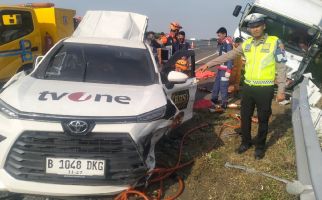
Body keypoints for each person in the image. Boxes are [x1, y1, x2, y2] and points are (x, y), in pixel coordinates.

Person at [198, 13, 287, 159]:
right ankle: (246, 142)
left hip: (265, 89)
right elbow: (229, 55)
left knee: (263, 119)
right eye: (252, 27)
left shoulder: (275, 42)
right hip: (248, 88)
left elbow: (282, 67)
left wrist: (281, 90)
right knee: (245, 117)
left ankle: (260, 147)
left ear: (264, 26)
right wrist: (209, 64)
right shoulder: (247, 44)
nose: (255, 29)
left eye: (258, 26)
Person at [211, 27, 233, 109]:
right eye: (217, 35)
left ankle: (224, 102)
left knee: (223, 87)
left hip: (225, 70)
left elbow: (230, 57)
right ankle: (214, 99)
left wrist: (228, 70)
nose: (218, 37)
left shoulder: (228, 43)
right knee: (216, 85)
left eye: (219, 35)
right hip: (220, 69)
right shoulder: (222, 43)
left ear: (224, 34)